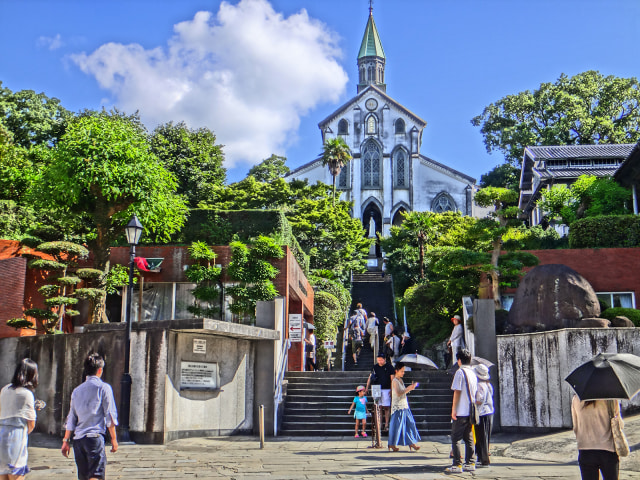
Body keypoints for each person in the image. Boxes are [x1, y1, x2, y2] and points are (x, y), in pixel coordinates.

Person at [62, 353, 119, 480]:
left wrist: (66, 440)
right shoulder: (103, 388)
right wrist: (114, 439)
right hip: (94, 437)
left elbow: (71, 417)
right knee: (96, 475)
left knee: (84, 476)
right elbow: (110, 415)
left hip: (78, 440)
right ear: (100, 370)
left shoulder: (77, 390)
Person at [0, 358, 39, 480]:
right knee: (16, 474)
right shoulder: (27, 394)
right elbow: (31, 424)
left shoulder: (5, 389)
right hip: (16, 438)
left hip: (1, 436)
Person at [571, 395, 621, 480]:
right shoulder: (610, 399)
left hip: (585, 450)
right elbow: (619, 424)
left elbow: (576, 427)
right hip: (607, 449)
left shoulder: (576, 399)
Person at [445, 348, 478, 474]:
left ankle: (457, 464)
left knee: (456, 438)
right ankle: (470, 463)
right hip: (471, 410)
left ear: (459, 360)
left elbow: (457, 392)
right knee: (469, 437)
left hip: (461, 410)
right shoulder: (473, 373)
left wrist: (453, 410)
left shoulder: (460, 373)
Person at [387, 362, 420, 452]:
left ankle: (411, 442)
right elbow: (398, 392)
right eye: (402, 371)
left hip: (404, 405)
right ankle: (392, 443)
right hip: (398, 406)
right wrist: (409, 388)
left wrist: (410, 388)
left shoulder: (400, 380)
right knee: (396, 426)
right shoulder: (395, 381)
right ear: (396, 371)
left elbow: (402, 391)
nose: (403, 373)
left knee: (410, 423)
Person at [365, 354, 396, 431]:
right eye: (378, 360)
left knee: (386, 406)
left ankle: (386, 424)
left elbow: (392, 378)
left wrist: (392, 389)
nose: (380, 361)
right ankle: (380, 423)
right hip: (376, 387)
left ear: (384, 359)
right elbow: (370, 377)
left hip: (386, 388)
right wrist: (367, 387)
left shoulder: (389, 367)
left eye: (381, 360)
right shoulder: (375, 367)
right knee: (379, 406)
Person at [474, 364, 494, 467]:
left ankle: (483, 460)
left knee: (481, 437)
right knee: (485, 437)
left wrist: (472, 400)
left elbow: (479, 400)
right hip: (489, 412)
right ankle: (483, 458)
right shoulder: (487, 384)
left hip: (482, 413)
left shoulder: (480, 385)